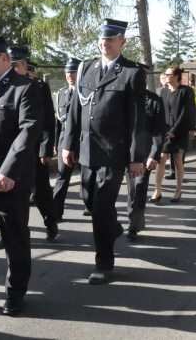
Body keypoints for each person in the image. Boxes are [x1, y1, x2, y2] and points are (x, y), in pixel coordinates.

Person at [60, 18, 147, 285]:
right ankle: (114, 226)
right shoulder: (86, 67)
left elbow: (136, 119)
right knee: (89, 199)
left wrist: (136, 157)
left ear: (122, 41)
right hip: (87, 149)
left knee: (100, 206)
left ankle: (103, 264)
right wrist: (67, 143)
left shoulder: (132, 72)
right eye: (102, 39)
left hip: (113, 152)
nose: (104, 43)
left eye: (110, 39)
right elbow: (75, 109)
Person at [0, 36, 42, 316]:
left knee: (14, 240)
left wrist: (9, 170)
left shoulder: (26, 88)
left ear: (3, 58)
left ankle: (15, 293)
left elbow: (29, 131)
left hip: (9, 182)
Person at [9, 46, 59, 241]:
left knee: (40, 189)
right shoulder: (1, 86)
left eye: (16, 65)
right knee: (10, 194)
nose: (12, 69)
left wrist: (46, 148)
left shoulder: (38, 86)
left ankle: (50, 221)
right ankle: (9, 233)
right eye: (10, 65)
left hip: (34, 148)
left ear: (24, 66)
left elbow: (48, 120)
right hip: (10, 149)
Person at [125, 78, 166, 238]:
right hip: (127, 154)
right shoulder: (125, 99)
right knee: (132, 190)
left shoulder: (155, 101)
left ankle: (133, 226)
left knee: (140, 188)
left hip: (144, 154)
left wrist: (154, 155)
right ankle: (135, 220)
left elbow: (159, 130)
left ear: (146, 81)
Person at [152, 65, 196, 204]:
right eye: (165, 74)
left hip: (179, 131)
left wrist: (174, 131)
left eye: (168, 74)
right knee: (160, 159)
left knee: (177, 160)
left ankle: (178, 190)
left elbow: (185, 113)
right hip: (165, 130)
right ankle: (157, 190)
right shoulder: (163, 92)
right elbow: (160, 111)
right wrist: (163, 129)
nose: (166, 76)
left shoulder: (186, 91)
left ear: (176, 76)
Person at [52, 57, 82, 220]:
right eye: (68, 72)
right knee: (62, 177)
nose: (70, 75)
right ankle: (56, 212)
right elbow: (58, 120)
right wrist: (56, 142)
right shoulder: (61, 94)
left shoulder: (86, 92)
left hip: (82, 140)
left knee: (86, 177)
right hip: (64, 140)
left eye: (73, 71)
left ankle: (89, 204)